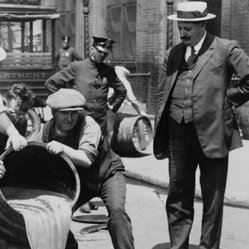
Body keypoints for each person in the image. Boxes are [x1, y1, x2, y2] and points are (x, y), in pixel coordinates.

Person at [153, 1, 249, 249]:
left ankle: (208, 246)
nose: (183, 33)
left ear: (202, 24)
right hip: (178, 136)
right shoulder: (173, 54)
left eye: (188, 28)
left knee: (213, 199)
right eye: (180, 28)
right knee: (177, 195)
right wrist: (160, 128)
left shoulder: (226, 49)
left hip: (213, 134)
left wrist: (227, 100)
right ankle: (178, 246)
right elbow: (162, 93)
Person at [35, 89, 134, 249]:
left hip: (108, 174)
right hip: (80, 181)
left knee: (117, 213)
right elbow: (31, 150)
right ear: (54, 112)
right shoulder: (46, 130)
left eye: (74, 113)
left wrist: (62, 148)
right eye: (64, 113)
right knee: (57, 215)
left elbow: (86, 159)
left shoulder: (88, 124)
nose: (70, 118)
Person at [45, 36, 127, 138]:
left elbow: (122, 91)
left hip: (100, 123)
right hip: (79, 122)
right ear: (92, 50)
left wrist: (113, 108)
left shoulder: (109, 71)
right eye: (99, 52)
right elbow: (51, 83)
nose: (102, 55)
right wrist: (64, 104)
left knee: (100, 150)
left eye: (105, 53)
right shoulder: (77, 67)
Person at [0, 83, 35, 153]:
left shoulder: (22, 120)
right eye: (12, 113)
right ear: (4, 103)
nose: (15, 118)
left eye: (20, 115)